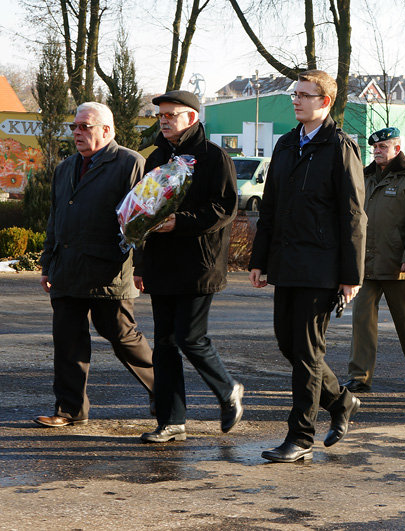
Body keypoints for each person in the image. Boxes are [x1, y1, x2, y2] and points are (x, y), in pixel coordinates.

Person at [249, 70, 366, 463]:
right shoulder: (285, 144)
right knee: (289, 344)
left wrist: (351, 276)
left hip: (321, 266)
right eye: (295, 94)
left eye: (305, 95)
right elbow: (270, 209)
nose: (296, 101)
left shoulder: (339, 146)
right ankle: (342, 400)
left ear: (325, 102)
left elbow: (353, 215)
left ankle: (300, 437)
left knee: (306, 353)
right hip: (286, 262)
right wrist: (259, 259)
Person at [35, 102, 155, 428]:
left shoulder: (130, 163)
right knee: (68, 340)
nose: (77, 132)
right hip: (67, 268)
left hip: (109, 270)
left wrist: (142, 267)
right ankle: (70, 410)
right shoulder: (65, 168)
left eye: (85, 126)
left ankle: (166, 394)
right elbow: (55, 218)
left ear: (106, 129)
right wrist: (47, 261)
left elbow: (143, 220)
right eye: (75, 126)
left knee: (122, 336)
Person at [136, 90, 243, 443]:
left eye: (171, 114)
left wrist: (181, 222)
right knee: (164, 343)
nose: (163, 120)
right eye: (160, 115)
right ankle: (171, 421)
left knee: (190, 337)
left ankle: (228, 390)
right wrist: (140, 264)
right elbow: (145, 211)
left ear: (192, 118)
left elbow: (224, 208)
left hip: (199, 262)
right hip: (162, 263)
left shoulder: (213, 156)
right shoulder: (157, 157)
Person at [343, 127, 405, 393]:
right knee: (361, 320)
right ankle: (360, 375)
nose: (377, 152)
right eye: (375, 148)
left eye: (383, 147)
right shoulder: (365, 176)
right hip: (366, 262)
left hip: (397, 263)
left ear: (397, 147)